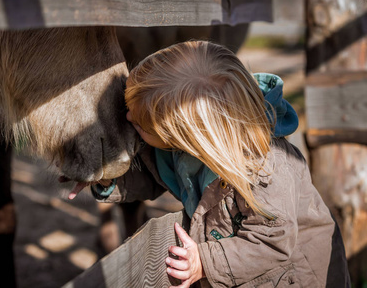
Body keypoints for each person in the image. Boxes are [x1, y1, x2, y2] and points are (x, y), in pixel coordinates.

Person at [71, 41, 350, 287]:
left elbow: (272, 241)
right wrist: (109, 178)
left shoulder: (267, 169)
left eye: (140, 124)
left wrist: (204, 262)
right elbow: (157, 177)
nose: (129, 119)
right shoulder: (187, 149)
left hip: (295, 279)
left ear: (183, 135)